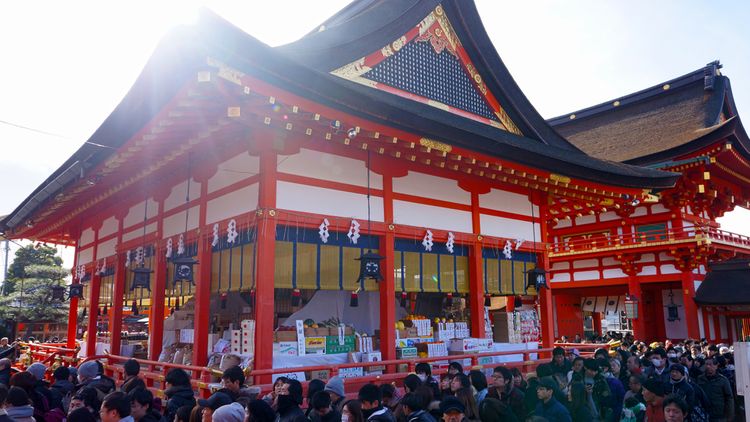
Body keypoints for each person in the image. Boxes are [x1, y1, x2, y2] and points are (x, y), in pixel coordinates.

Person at [697, 356, 734, 422]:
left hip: (719, 414)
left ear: (716, 366)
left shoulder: (723, 380)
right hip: (703, 413)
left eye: (710, 364)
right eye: (706, 364)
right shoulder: (699, 379)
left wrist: (730, 416)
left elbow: (729, 398)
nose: (708, 367)